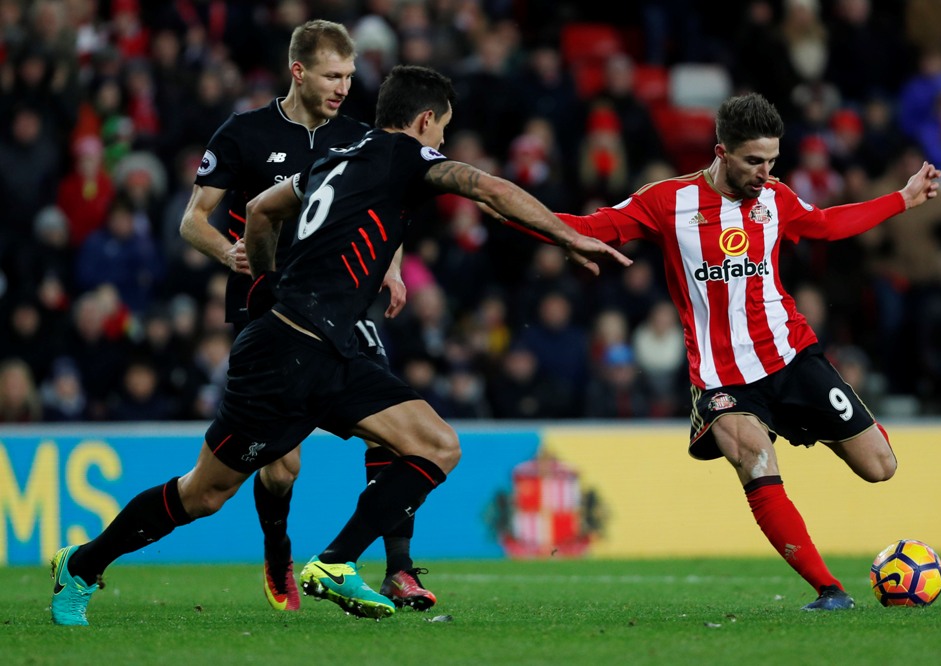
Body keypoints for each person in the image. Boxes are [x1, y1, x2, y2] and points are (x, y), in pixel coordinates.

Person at [49, 64, 630, 626]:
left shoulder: (336, 156)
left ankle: (336, 560)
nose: (445, 140)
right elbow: (488, 189)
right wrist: (570, 234)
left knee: (435, 445)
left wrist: (268, 283)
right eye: (444, 128)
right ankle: (81, 565)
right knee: (203, 495)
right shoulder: (405, 155)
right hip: (284, 357)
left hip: (326, 349)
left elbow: (259, 209)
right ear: (426, 121)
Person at [498, 92, 941, 610]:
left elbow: (825, 224)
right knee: (755, 457)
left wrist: (902, 199)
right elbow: (593, 227)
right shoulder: (667, 201)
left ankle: (827, 429)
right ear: (721, 152)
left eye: (773, 161)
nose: (766, 172)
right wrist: (504, 205)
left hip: (792, 356)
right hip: (721, 378)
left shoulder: (775, 199)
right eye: (755, 161)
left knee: (880, 466)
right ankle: (829, 591)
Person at [177, 19, 429, 612]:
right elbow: (193, 219)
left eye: (348, 74)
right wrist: (230, 253)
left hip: (339, 305)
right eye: (333, 75)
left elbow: (385, 211)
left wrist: (390, 267)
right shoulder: (244, 133)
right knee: (281, 466)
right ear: (298, 71)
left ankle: (398, 567)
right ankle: (276, 548)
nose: (345, 86)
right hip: (267, 307)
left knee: (397, 422)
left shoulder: (358, 137)